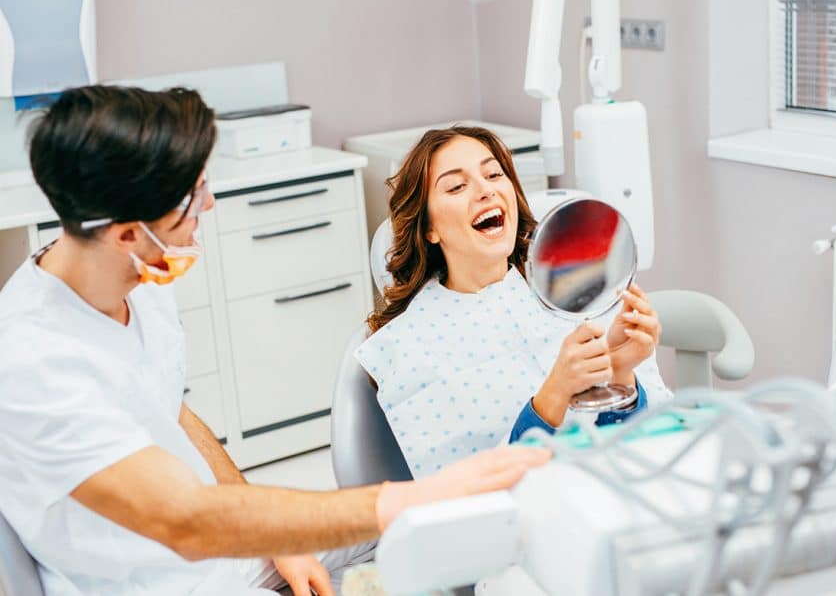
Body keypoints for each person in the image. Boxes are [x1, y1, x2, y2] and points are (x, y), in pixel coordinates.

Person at [0, 87, 551, 596]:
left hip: (221, 538)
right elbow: (183, 521)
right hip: (160, 579)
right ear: (126, 234)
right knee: (408, 512)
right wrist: (417, 495)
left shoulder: (134, 277)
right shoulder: (35, 362)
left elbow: (168, 405)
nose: (208, 207)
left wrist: (279, 539)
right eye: (191, 199)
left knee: (419, 534)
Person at [356, 126, 672, 478]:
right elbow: (460, 500)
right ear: (430, 228)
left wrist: (619, 374)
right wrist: (554, 395)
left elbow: (650, 448)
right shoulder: (408, 346)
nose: (486, 190)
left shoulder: (581, 288)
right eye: (457, 186)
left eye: (493, 174)